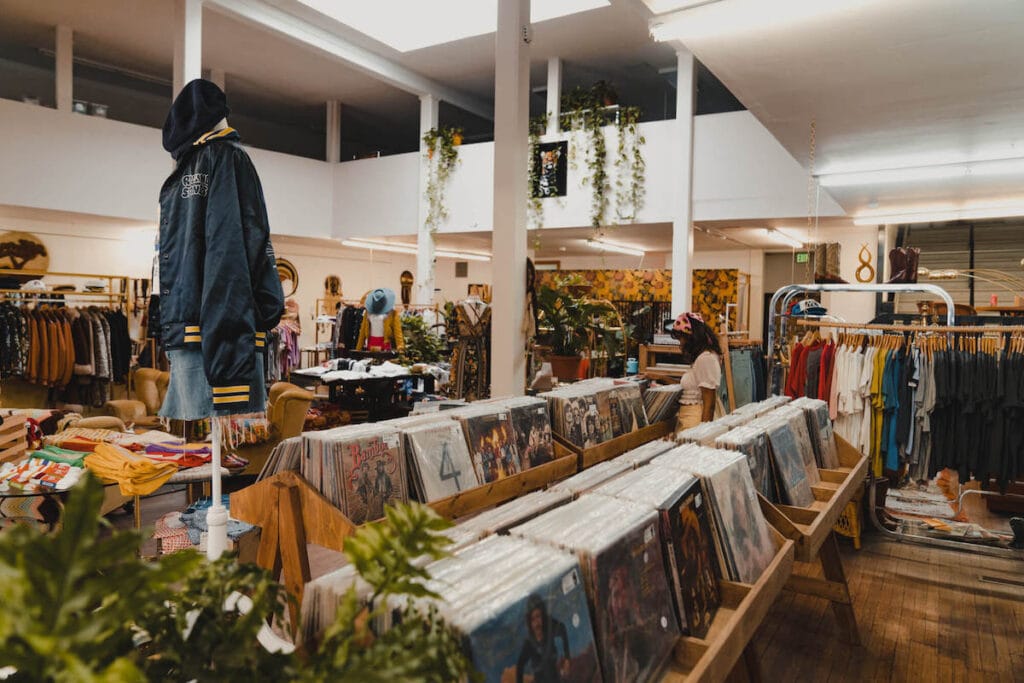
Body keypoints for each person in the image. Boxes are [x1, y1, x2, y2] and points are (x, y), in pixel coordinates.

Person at [671, 312, 722, 432]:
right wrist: (659, 377)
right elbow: (693, 387)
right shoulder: (701, 359)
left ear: (691, 338)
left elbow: (709, 404)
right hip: (690, 421)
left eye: (681, 338)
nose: (681, 343)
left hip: (695, 422)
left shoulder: (705, 359)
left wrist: (702, 434)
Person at [516, 594, 571, 683]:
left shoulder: (549, 628)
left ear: (543, 616)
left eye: (538, 616)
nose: (536, 623)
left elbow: (562, 629)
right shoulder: (529, 644)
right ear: (530, 622)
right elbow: (520, 665)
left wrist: (567, 658)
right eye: (533, 619)